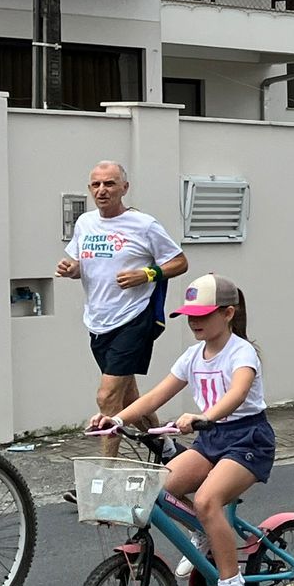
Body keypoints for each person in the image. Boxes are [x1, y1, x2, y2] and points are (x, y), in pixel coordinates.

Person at [87, 273, 273, 586]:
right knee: (155, 488)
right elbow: (154, 397)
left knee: (206, 500)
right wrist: (114, 420)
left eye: (203, 315)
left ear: (228, 313)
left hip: (247, 439)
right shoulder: (192, 356)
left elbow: (236, 394)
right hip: (210, 441)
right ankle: (205, 532)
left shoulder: (242, 352)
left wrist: (204, 415)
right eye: (190, 315)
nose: (194, 322)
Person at [56, 161, 189, 469]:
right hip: (99, 321)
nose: (102, 190)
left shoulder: (144, 225)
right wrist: (71, 269)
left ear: (124, 188)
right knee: (129, 399)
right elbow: (79, 263)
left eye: (110, 184)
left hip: (134, 319)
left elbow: (180, 262)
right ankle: (167, 447)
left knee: (107, 398)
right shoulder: (85, 223)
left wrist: (148, 273)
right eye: (96, 185)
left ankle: (105, 478)